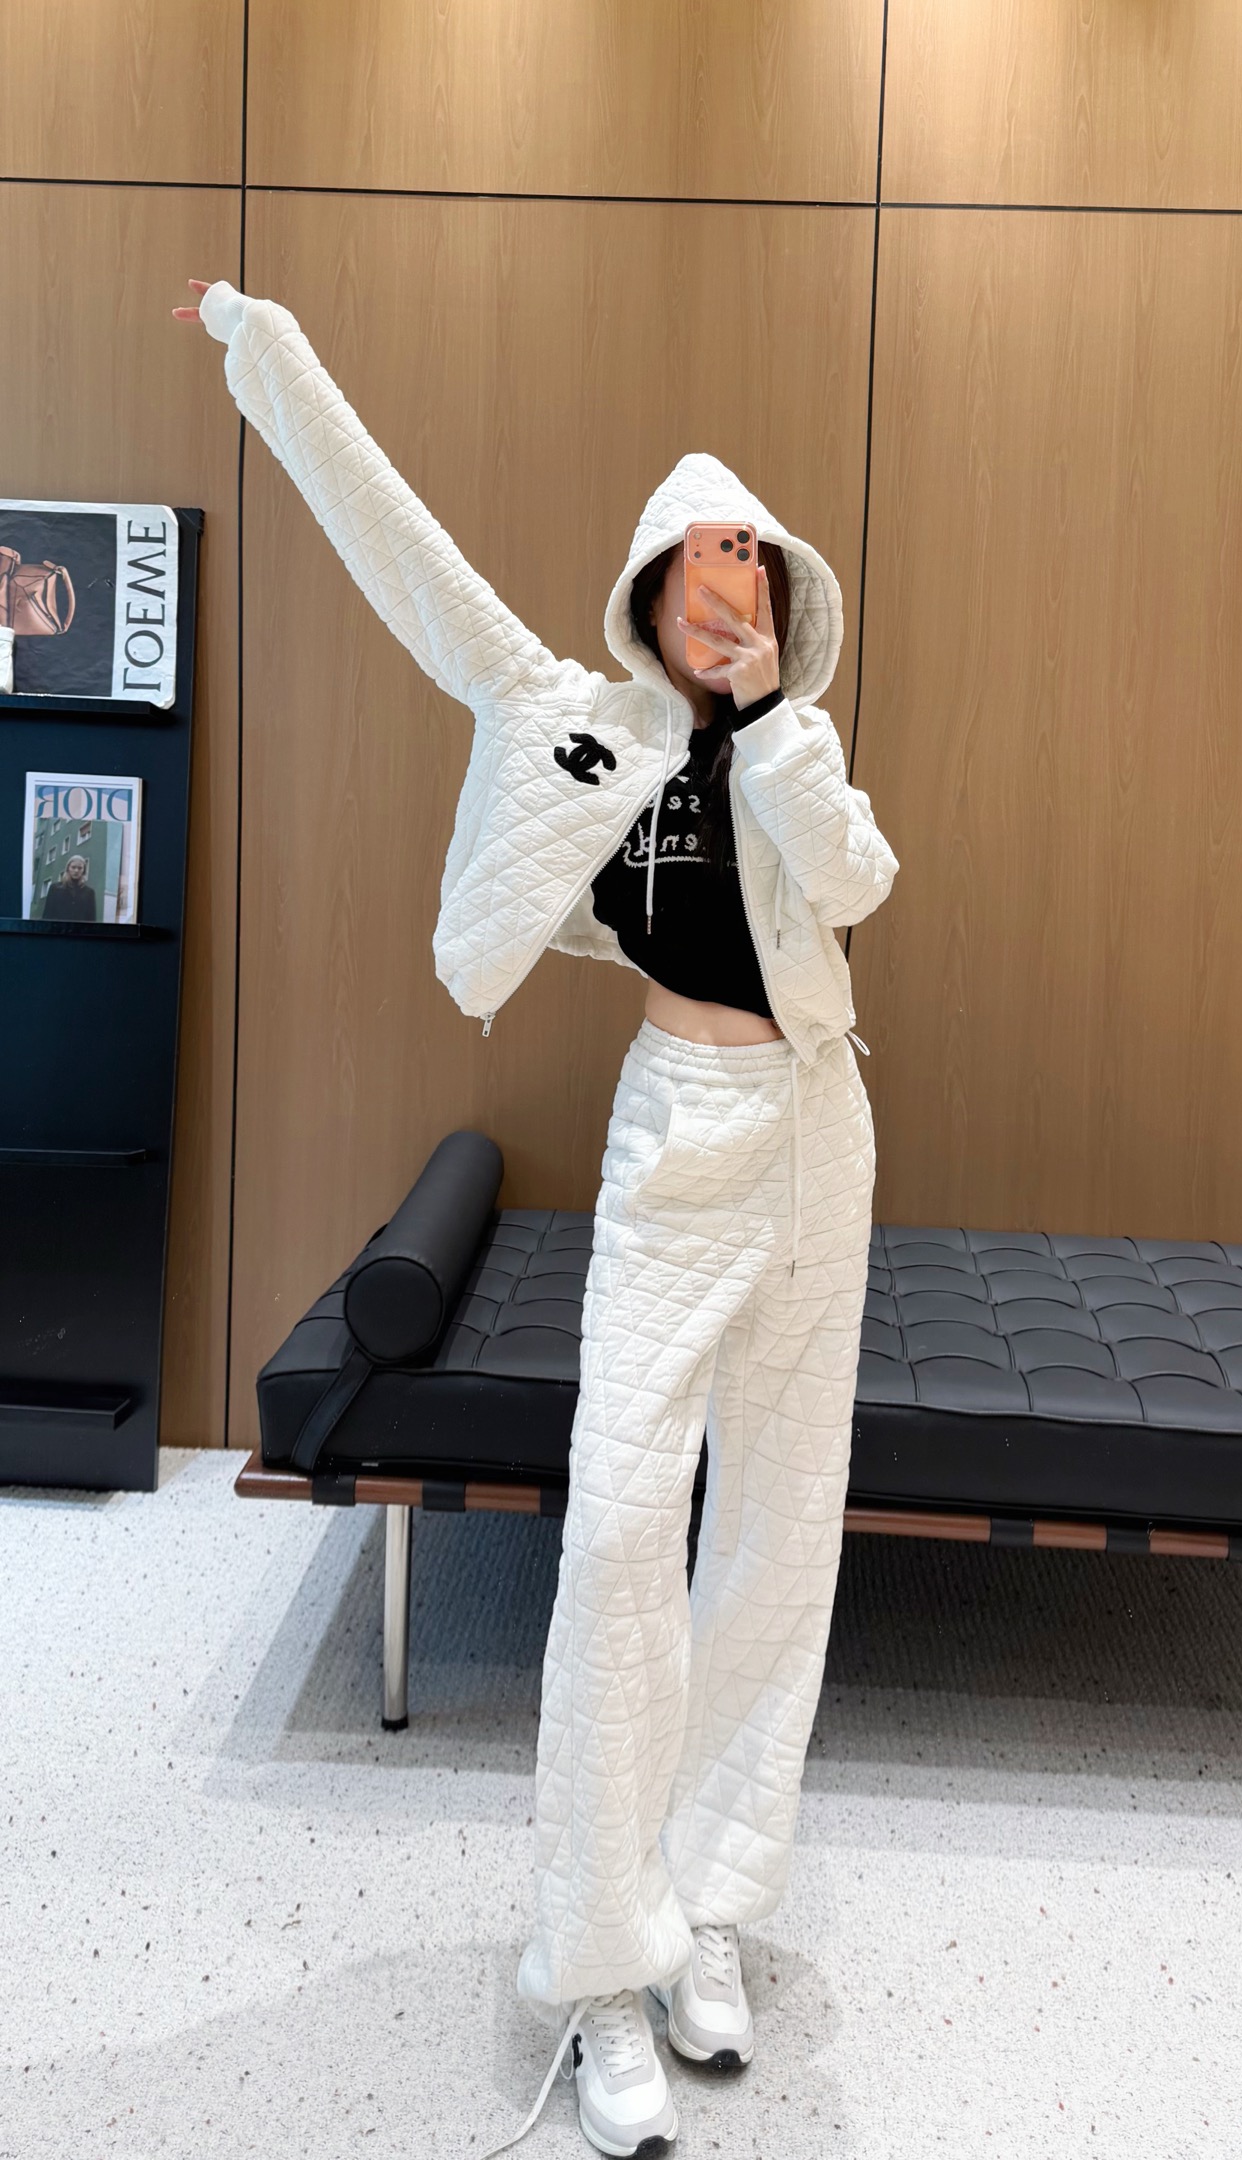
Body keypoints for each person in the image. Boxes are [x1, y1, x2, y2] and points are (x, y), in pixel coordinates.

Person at [176, 276, 897, 2159]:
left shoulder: (802, 746)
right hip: (678, 1136)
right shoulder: (568, 718)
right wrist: (262, 348)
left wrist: (777, 722)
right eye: (703, 560)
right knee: (624, 1540)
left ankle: (708, 1905)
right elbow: (401, 551)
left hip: (820, 1137)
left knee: (781, 1535)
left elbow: (858, 884)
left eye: (756, 561)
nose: (730, 587)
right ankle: (596, 1968)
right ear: (651, 583)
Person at [42, 853, 97, 921]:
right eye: (73, 867)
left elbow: (91, 919)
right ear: (68, 869)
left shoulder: (89, 893)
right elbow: (47, 915)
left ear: (83, 871)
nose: (76, 871)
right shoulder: (55, 888)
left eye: (80, 868)